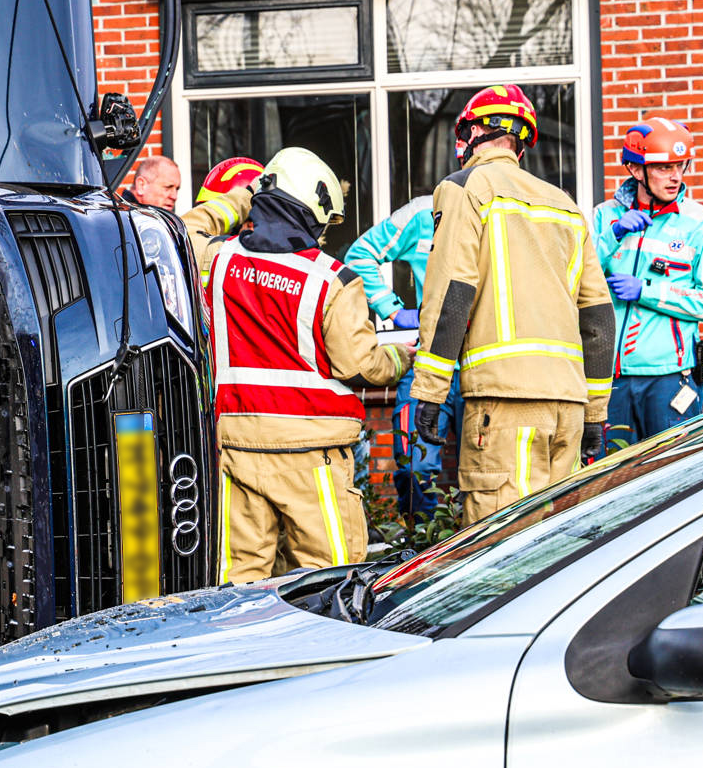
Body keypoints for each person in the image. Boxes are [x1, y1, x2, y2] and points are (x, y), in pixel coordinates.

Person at [412, 85, 615, 526]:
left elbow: (452, 295)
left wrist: (429, 390)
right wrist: (596, 412)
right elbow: (598, 317)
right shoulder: (565, 205)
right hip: (569, 406)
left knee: (501, 551)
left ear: (478, 130)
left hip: (504, 407)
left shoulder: (466, 188)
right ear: (520, 140)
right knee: (559, 544)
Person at [208, 146, 412, 581]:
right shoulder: (332, 279)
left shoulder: (216, 260)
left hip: (236, 448)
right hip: (312, 457)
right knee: (332, 580)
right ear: (311, 211)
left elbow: (181, 232)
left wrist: (239, 198)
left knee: (236, 587)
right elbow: (362, 367)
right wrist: (399, 357)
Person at [592, 116, 703, 448]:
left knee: (671, 470)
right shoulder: (604, 216)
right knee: (609, 477)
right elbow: (576, 281)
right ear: (636, 170)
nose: (675, 176)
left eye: (680, 166)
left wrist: (647, 291)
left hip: (669, 377)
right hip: (612, 377)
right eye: (663, 167)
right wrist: (613, 235)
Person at [343, 195, 461, 518]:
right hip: (424, 364)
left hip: (480, 367)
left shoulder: (499, 207)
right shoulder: (424, 213)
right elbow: (360, 255)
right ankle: (419, 553)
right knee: (413, 469)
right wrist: (391, 310)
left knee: (482, 477)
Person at [182, 156, 264, 285]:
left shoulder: (215, 254)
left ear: (250, 225)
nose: (209, 231)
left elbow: (184, 233)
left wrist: (245, 195)